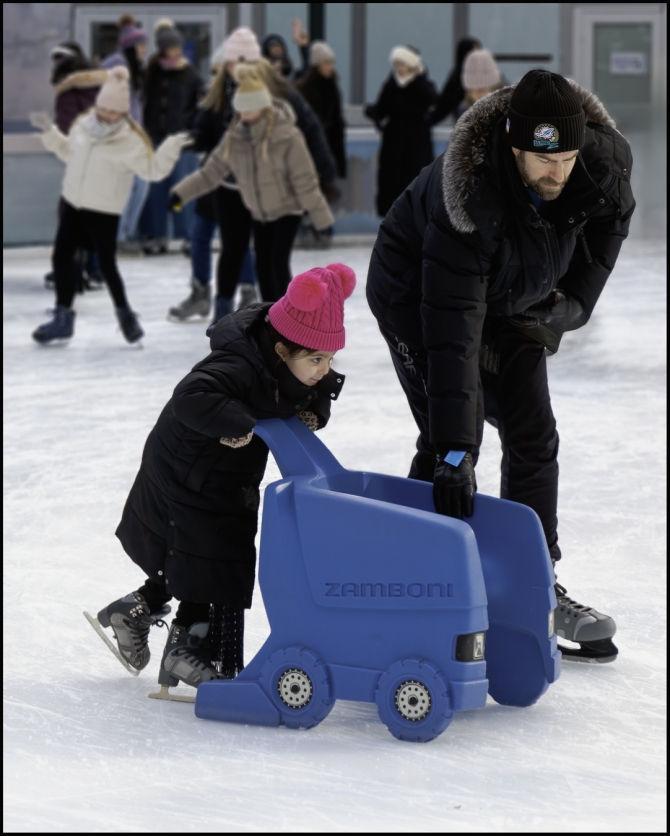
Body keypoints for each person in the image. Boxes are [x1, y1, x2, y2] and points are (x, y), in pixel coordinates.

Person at [366, 69, 635, 663]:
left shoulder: (601, 160)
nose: (558, 173)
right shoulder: (469, 199)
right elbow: (451, 329)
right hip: (418, 298)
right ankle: (406, 584)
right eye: (544, 161)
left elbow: (612, 222)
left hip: (515, 298)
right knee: (446, 445)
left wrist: (576, 302)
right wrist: (459, 448)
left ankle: (536, 584)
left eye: (567, 157)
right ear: (514, 147)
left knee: (534, 433)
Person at [90, 264, 355, 696]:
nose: (324, 370)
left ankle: (138, 609)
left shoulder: (287, 362)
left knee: (207, 556)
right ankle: (185, 647)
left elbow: (311, 389)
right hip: (187, 469)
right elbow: (190, 397)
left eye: (329, 359)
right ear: (282, 349)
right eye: (316, 360)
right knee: (210, 554)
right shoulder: (239, 362)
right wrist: (240, 422)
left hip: (222, 473)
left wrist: (315, 408)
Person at [29, 66, 192, 345]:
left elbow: (152, 170)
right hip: (73, 203)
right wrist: (50, 133)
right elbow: (69, 151)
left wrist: (171, 146)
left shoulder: (130, 140)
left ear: (123, 112)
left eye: (113, 111)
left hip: (103, 211)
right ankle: (62, 317)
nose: (106, 115)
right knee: (62, 259)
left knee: (106, 265)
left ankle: (125, 315)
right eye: (102, 108)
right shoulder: (83, 124)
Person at [171, 64, 335, 321]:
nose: (245, 115)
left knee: (277, 264)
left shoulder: (287, 136)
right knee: (262, 266)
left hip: (287, 209)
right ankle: (274, 319)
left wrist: (321, 220)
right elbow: (211, 172)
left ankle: (293, 319)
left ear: (263, 106)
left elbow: (305, 181)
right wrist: (180, 194)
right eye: (241, 110)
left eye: (250, 109)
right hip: (260, 213)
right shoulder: (235, 137)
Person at [168, 27, 263, 323]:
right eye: (228, 63)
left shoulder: (261, 93)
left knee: (236, 240)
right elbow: (203, 126)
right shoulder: (217, 93)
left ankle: (247, 291)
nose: (230, 69)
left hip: (246, 182)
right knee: (200, 235)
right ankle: (200, 293)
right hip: (214, 176)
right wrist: (190, 139)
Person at [45, 42, 108, 292]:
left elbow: (66, 128)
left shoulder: (68, 92)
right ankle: (94, 268)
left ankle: (72, 273)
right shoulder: (101, 88)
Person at [140, 18, 204, 255]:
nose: (176, 52)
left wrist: (191, 127)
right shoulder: (153, 71)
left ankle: (188, 235)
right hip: (155, 138)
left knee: (183, 187)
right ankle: (154, 234)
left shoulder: (189, 72)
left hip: (181, 141)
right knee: (156, 189)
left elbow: (202, 101)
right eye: (171, 48)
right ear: (163, 49)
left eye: (178, 47)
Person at [365, 46, 437, 218]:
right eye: (396, 63)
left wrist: (419, 78)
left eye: (402, 63)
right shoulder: (391, 84)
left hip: (417, 144)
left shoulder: (422, 84)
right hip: (393, 146)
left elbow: (432, 101)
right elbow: (381, 108)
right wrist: (373, 113)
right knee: (391, 187)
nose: (399, 68)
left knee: (416, 184)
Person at [101, 14, 150, 255]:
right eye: (142, 46)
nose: (145, 50)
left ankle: (123, 234)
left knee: (140, 185)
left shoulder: (133, 68)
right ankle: (117, 236)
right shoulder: (115, 65)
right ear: (132, 46)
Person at [295, 40, 347, 180]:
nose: (330, 67)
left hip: (330, 149)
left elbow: (337, 123)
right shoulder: (303, 89)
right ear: (316, 65)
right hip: (309, 150)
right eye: (326, 63)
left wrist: (340, 165)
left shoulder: (334, 88)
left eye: (332, 62)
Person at [428, 36, 481, 126]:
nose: (477, 55)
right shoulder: (456, 78)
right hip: (465, 127)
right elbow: (443, 106)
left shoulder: (488, 74)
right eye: (473, 51)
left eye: (478, 51)